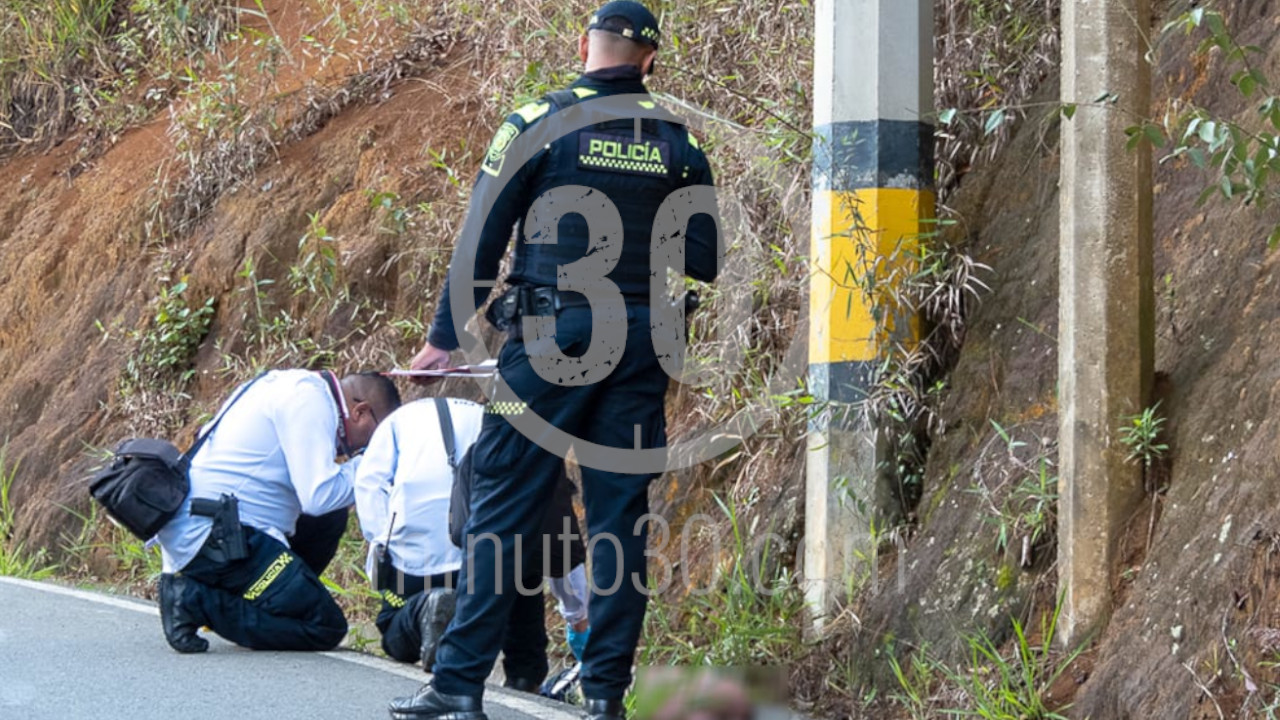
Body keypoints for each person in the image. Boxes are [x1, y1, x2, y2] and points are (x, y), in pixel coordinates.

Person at [393, 2, 719, 718]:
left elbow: (483, 236)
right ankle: (605, 696)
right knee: (618, 521)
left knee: (501, 506)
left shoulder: (539, 119)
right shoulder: (678, 140)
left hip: (549, 340)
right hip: (641, 345)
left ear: (584, 46)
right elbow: (705, 260)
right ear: (651, 62)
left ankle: (456, 688)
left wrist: (443, 337)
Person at [155, 368, 401, 654]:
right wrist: (376, 463)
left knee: (330, 519)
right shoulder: (309, 401)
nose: (370, 446)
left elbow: (321, 503)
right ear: (360, 412)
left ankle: (263, 600)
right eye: (376, 436)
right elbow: (318, 496)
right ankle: (196, 600)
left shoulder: (288, 384)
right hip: (220, 537)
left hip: (210, 527)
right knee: (324, 627)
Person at [354, 396, 591, 689]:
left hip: (419, 562)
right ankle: (524, 674)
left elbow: (369, 485)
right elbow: (555, 526)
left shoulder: (397, 421)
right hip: (495, 560)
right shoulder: (508, 429)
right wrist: (578, 614)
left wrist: (383, 548)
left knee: (394, 631)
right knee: (521, 559)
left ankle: (427, 607)